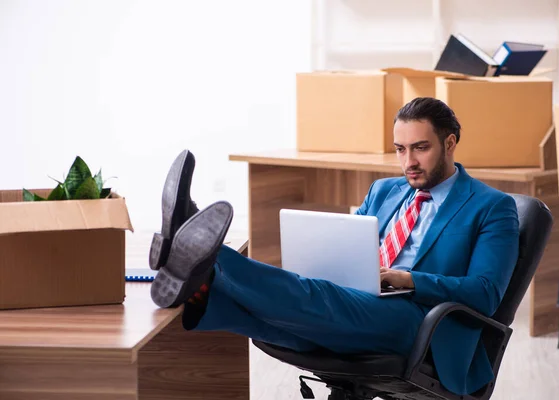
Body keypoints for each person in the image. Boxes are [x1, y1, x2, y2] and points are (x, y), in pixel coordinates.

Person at [148, 97, 519, 396]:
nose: (408, 162)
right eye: (400, 149)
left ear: (450, 143)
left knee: (315, 298)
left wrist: (409, 279)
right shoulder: (386, 190)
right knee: (284, 320)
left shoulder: (491, 207)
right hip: (362, 297)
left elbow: (486, 294)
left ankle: (203, 257)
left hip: (421, 321)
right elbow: (348, 243)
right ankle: (198, 285)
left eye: (420, 148)